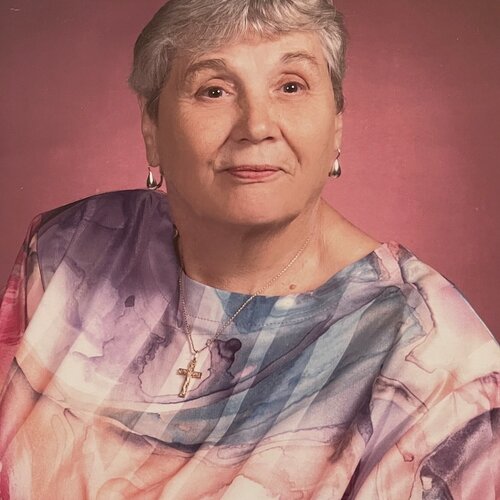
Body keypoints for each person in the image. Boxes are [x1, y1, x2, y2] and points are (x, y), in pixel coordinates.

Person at [0, 0, 498, 498]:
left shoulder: (433, 362)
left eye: (291, 86)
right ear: (151, 128)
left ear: (337, 124)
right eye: (214, 90)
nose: (256, 126)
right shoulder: (70, 249)